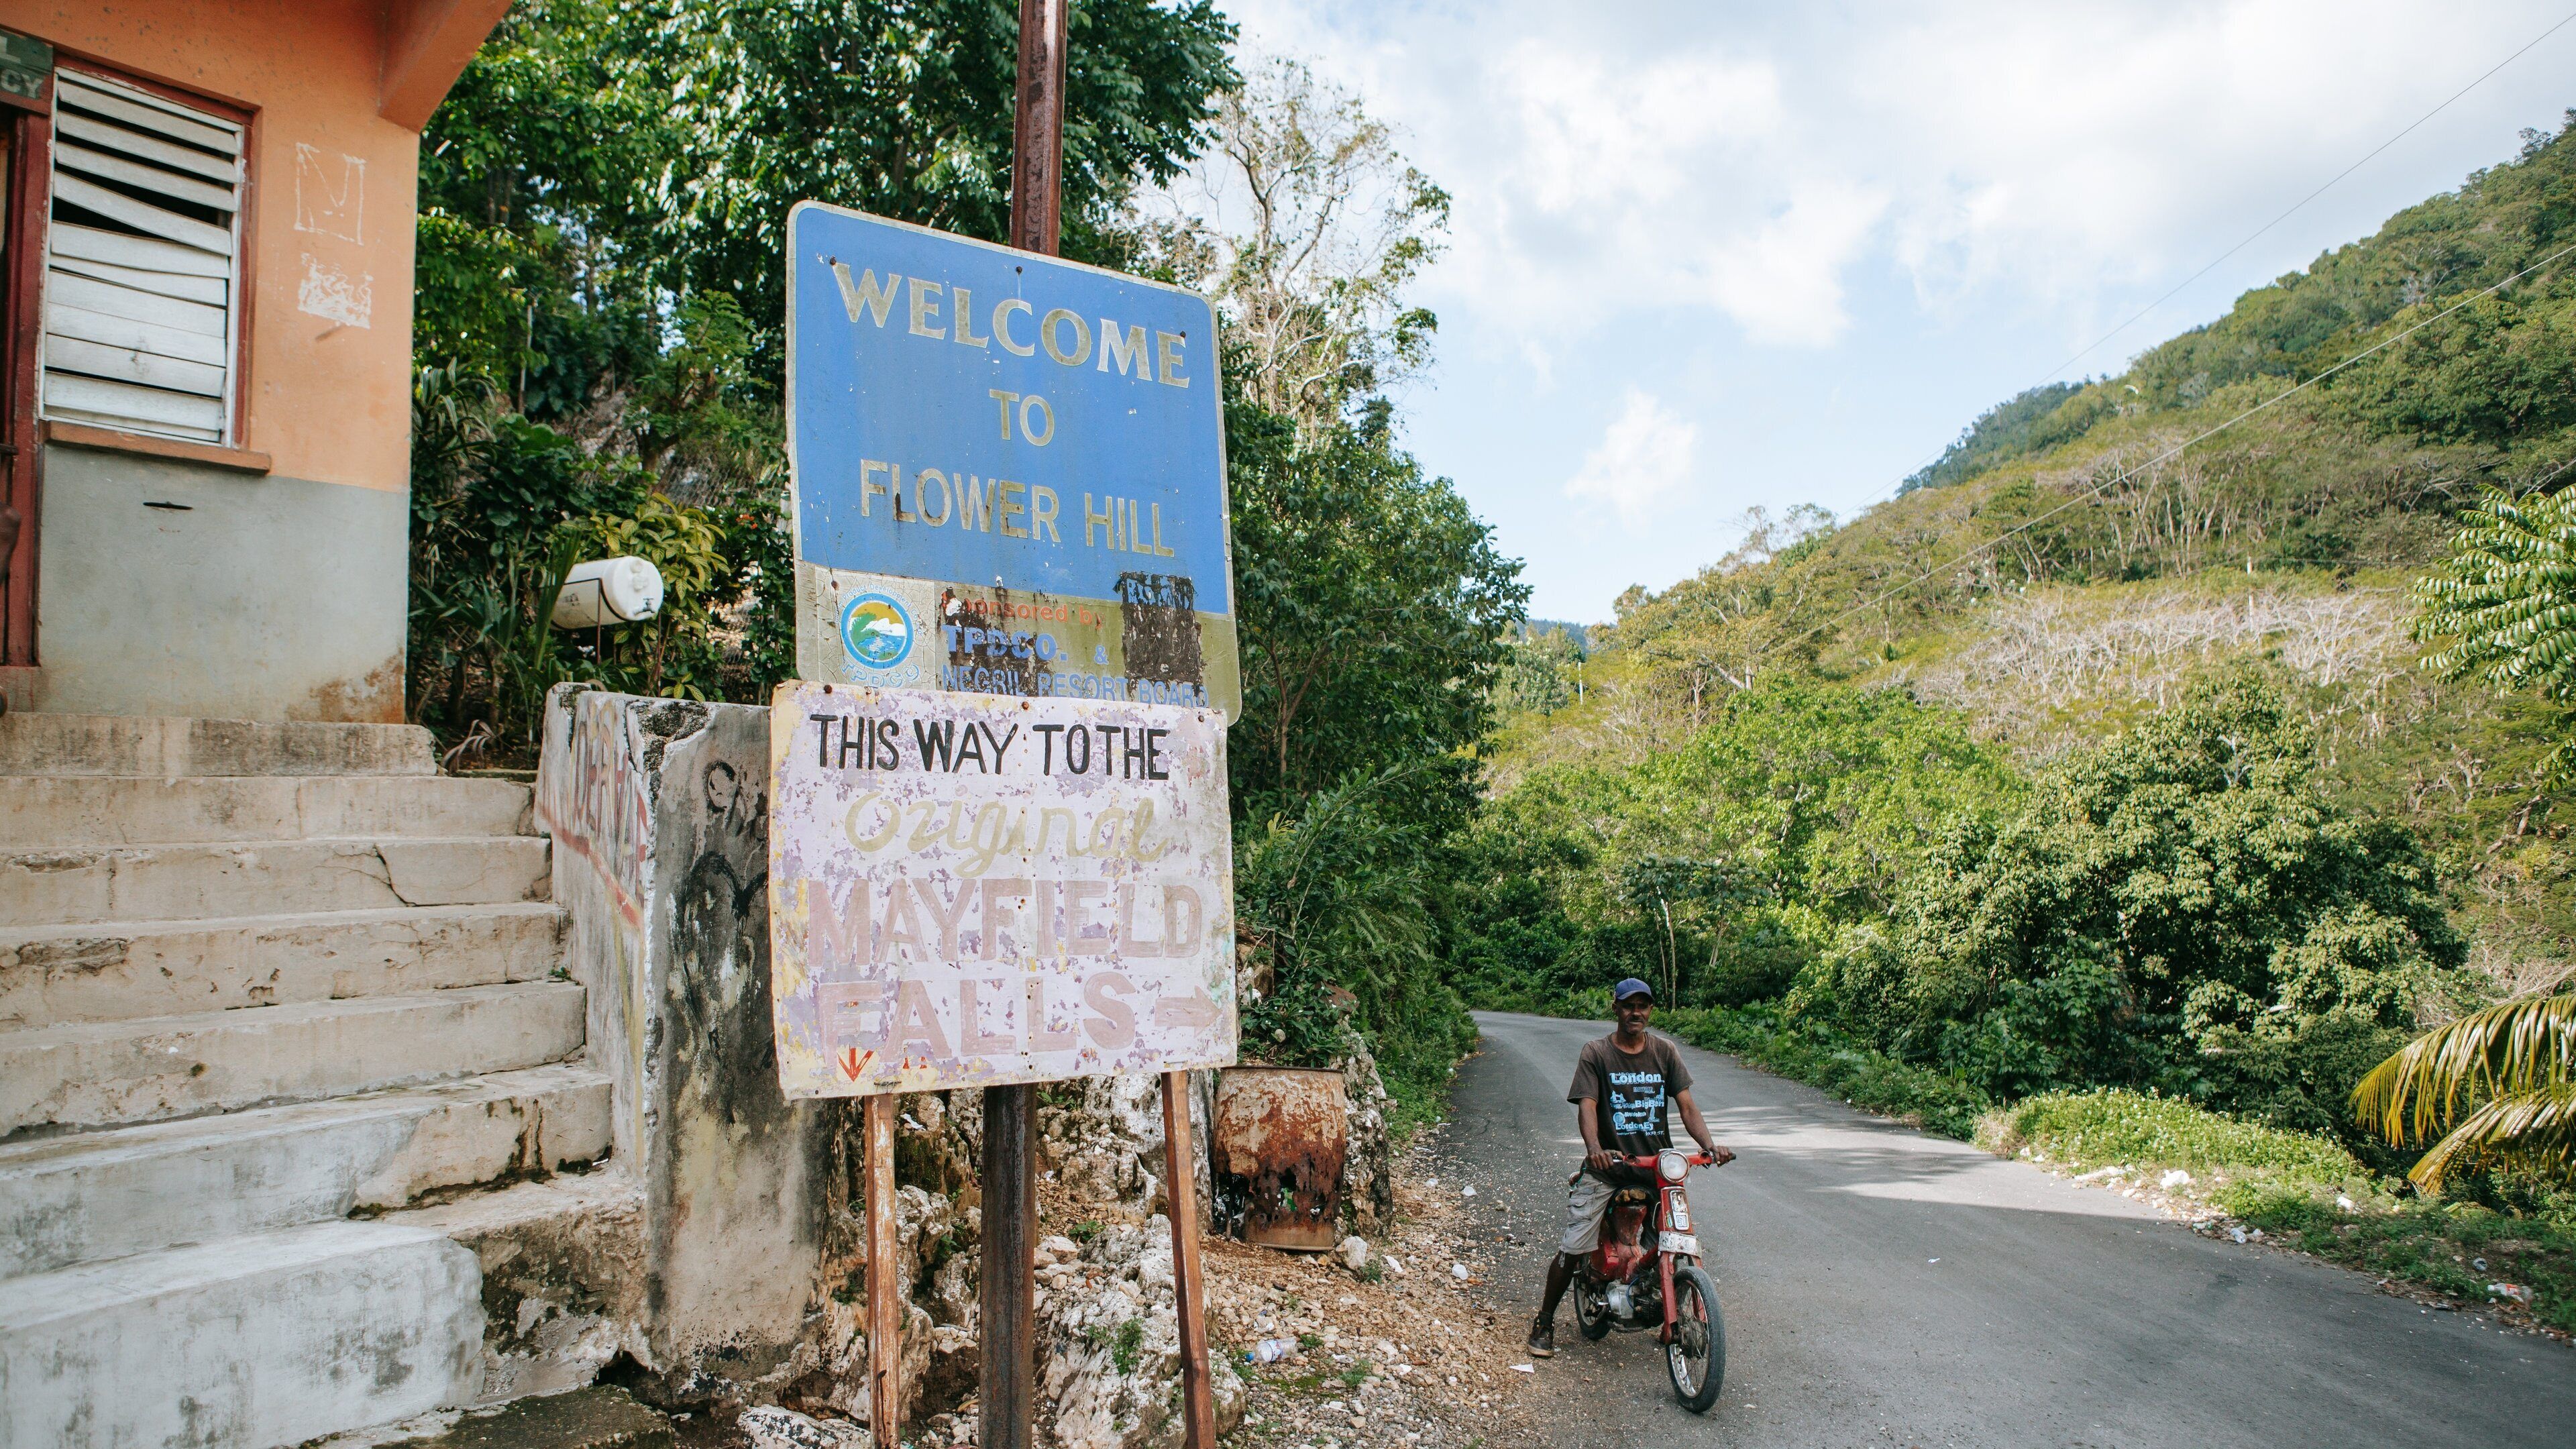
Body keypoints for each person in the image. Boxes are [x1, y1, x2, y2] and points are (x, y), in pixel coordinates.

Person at [1527, 977, 1731, 1358]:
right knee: (1574, 1245)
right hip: (1610, 1169)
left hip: (1656, 1170)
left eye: (1643, 1005)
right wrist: (1595, 1151)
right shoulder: (1597, 1053)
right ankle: (1544, 1320)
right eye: (1628, 1005)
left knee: (1672, 1238)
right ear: (1616, 1008)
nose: (1636, 1012)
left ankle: (1664, 1308)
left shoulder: (1665, 1052)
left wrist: (1709, 1147)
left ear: (1650, 1010)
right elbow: (1587, 1106)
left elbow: (1687, 1106)